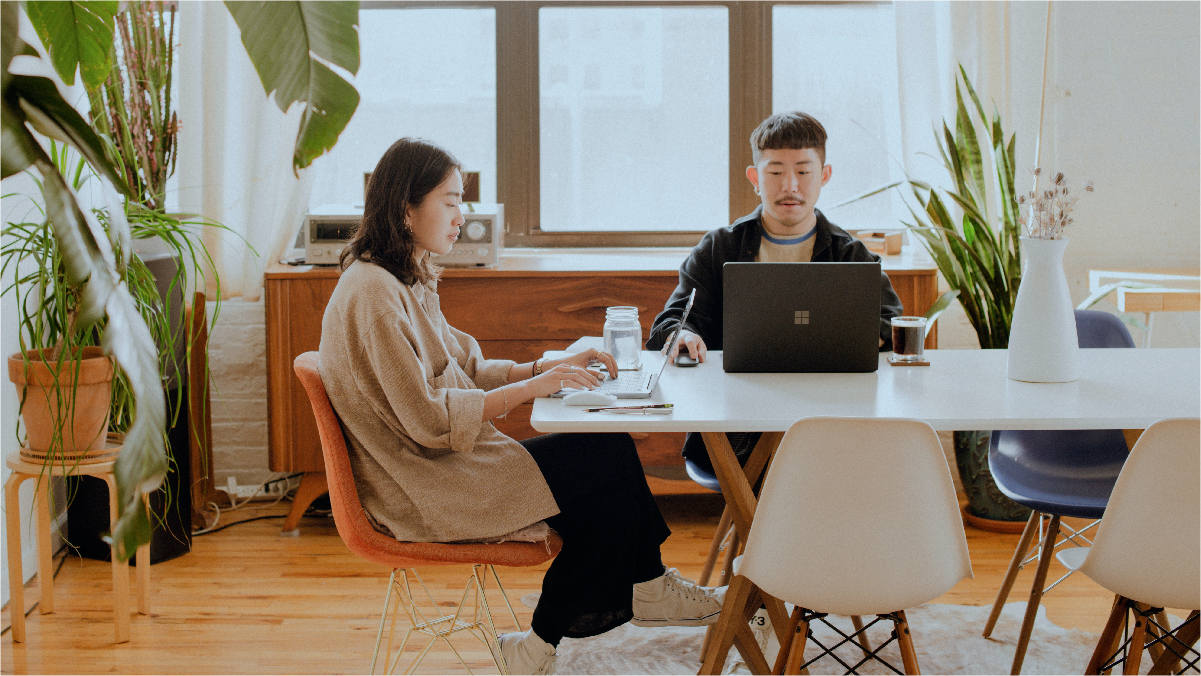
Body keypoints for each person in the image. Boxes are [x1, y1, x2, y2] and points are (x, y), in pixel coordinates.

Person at [318, 138, 723, 675]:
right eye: (452, 201)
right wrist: (535, 387)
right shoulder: (374, 294)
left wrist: (543, 370)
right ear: (405, 209)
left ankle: (613, 604)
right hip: (423, 484)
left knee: (605, 471)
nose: (463, 216)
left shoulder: (404, 280)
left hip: (441, 466)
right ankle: (604, 609)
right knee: (604, 465)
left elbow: (466, 369)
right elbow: (431, 420)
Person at [646, 111, 903, 473]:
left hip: (829, 418)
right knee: (793, 473)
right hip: (737, 422)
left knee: (837, 466)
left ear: (824, 175)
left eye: (803, 171)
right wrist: (682, 334)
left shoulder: (850, 254)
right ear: (755, 178)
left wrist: (868, 334)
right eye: (776, 172)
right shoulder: (720, 248)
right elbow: (669, 324)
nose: (790, 186)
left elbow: (892, 324)